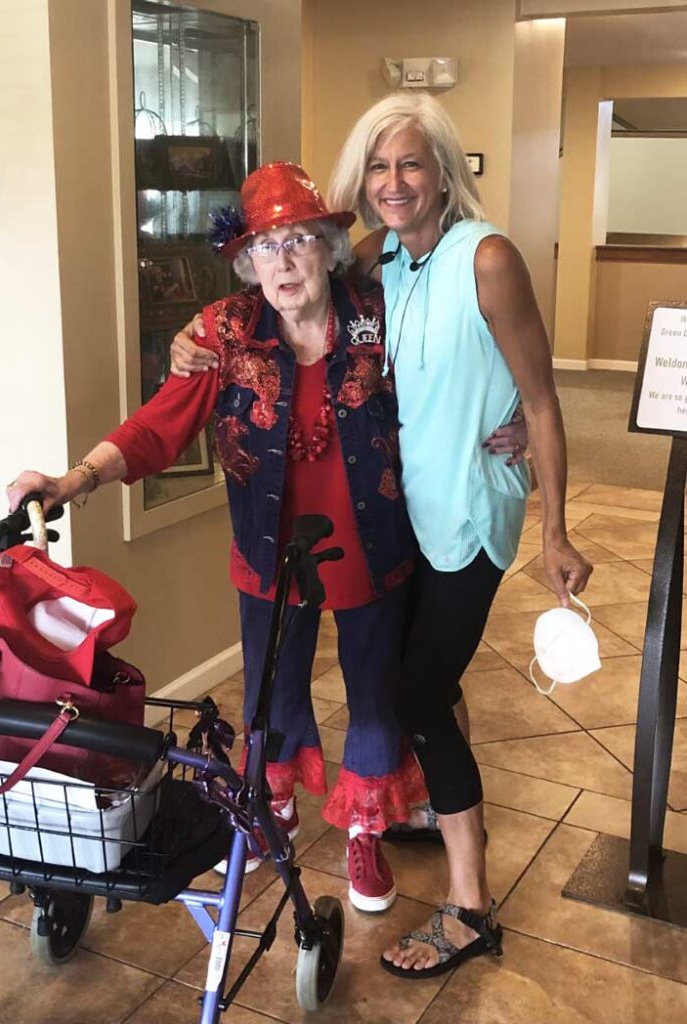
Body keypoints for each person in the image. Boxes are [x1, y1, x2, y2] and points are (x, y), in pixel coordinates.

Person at [6, 161, 429, 914]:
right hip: (269, 552)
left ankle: (364, 831)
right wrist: (75, 479)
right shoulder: (223, 332)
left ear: (329, 250)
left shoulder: (384, 314)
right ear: (246, 261)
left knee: (373, 694)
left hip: (372, 545)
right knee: (272, 692)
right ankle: (277, 807)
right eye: (267, 247)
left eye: (300, 241)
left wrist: (513, 418)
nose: (284, 262)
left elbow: (450, 382)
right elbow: (157, 426)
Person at [326, 93, 592, 977]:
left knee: (415, 692)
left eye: (408, 164)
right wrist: (201, 342)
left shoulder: (488, 259)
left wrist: (556, 530)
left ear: (445, 172)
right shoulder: (384, 262)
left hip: (473, 509)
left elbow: (545, 402)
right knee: (426, 686)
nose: (392, 183)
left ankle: (469, 905)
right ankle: (442, 812)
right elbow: (297, 265)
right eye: (377, 166)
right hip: (405, 512)